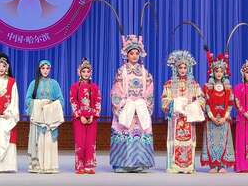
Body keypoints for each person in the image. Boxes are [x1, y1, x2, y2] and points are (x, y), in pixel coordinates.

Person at [110, 35, 155, 173]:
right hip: (126, 107)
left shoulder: (145, 72)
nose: (134, 56)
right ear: (127, 55)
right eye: (132, 53)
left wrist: (143, 104)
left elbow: (149, 90)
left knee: (140, 133)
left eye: (137, 53)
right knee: (124, 131)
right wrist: (124, 104)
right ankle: (122, 163)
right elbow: (116, 90)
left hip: (140, 108)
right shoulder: (121, 72)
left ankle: (141, 163)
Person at [161, 50, 205, 174]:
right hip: (176, 118)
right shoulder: (169, 84)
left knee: (188, 142)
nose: (182, 70)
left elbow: (201, 99)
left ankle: (188, 166)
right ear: (176, 68)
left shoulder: (194, 84)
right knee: (175, 141)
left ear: (189, 69)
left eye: (185, 67)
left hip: (189, 118)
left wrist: (193, 105)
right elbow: (164, 101)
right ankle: (174, 166)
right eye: (180, 67)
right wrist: (176, 103)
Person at [25, 60, 65, 173]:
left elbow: (61, 101)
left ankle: (49, 166)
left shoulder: (54, 84)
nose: (45, 71)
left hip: (50, 119)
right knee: (38, 141)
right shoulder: (34, 83)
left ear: (50, 70)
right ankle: (36, 165)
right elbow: (27, 100)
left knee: (48, 142)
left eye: (47, 68)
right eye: (43, 68)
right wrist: (39, 103)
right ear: (39, 69)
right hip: (37, 118)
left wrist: (51, 105)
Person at [199, 51, 234, 173]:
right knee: (212, 141)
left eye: (221, 71)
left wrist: (225, 117)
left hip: (224, 118)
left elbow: (230, 104)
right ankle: (213, 165)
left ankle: (222, 165)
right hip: (211, 118)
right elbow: (206, 103)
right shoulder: (207, 87)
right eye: (216, 71)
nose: (219, 73)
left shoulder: (228, 88)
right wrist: (212, 117)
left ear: (224, 72)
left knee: (223, 141)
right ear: (212, 72)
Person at [70, 57, 101, 174]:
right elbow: (73, 101)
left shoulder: (95, 87)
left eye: (88, 71)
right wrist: (80, 115)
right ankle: (80, 166)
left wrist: (92, 115)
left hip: (92, 118)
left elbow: (98, 102)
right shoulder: (75, 87)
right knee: (80, 141)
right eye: (84, 71)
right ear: (79, 72)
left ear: (91, 73)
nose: (86, 74)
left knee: (90, 142)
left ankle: (89, 165)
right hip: (79, 118)